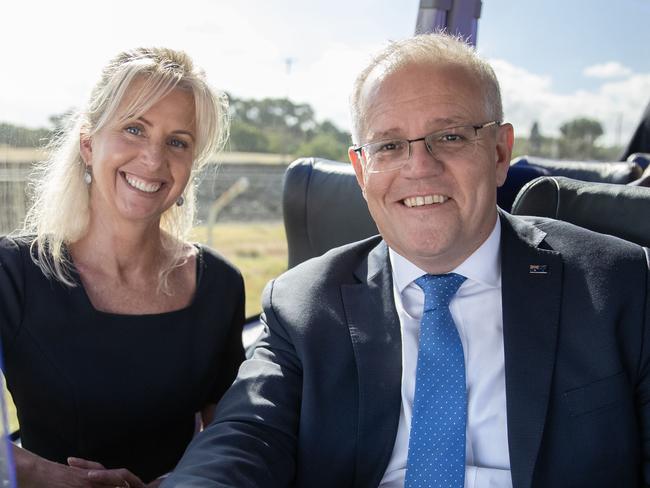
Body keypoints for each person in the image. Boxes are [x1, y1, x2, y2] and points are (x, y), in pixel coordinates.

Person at [163, 34, 650, 488]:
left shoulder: (619, 284)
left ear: (500, 152)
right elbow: (241, 439)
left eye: (451, 136)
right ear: (360, 169)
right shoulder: (302, 305)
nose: (419, 167)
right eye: (389, 145)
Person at [0, 47, 245, 487]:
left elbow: (236, 435)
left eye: (177, 142)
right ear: (89, 143)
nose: (153, 160)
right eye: (134, 129)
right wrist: (55, 477)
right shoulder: (13, 272)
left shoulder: (219, 286)